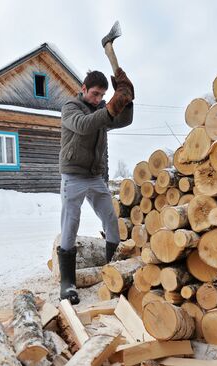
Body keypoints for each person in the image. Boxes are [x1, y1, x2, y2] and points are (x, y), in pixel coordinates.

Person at [57, 68, 134, 304]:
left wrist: (128, 99)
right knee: (71, 224)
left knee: (110, 220)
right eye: (94, 94)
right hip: (73, 175)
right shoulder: (70, 108)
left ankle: (114, 272)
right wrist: (110, 108)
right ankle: (67, 283)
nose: (98, 99)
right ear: (83, 89)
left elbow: (124, 120)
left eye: (102, 95)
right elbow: (83, 125)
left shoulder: (102, 110)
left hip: (94, 176)